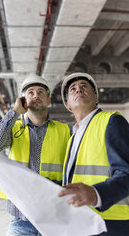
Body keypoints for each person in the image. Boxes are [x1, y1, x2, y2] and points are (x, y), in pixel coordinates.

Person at [0, 74, 70, 236]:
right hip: (20, 216)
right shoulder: (13, 128)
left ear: (48, 100)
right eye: (30, 92)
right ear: (23, 100)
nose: (36, 95)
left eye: (41, 92)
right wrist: (15, 111)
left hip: (54, 214)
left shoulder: (65, 130)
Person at [58, 72, 129, 236]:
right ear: (68, 104)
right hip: (83, 220)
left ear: (96, 97)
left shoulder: (111, 121)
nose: (78, 90)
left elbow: (127, 172)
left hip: (111, 224)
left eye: (84, 86)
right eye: (73, 89)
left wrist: (97, 194)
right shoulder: (73, 137)